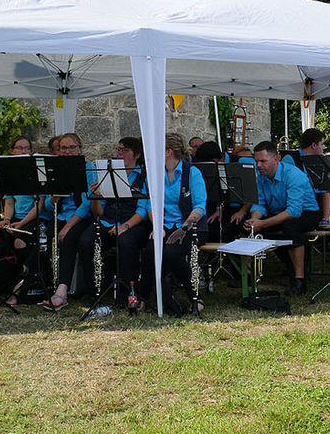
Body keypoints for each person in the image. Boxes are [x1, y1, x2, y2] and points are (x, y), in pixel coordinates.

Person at [138, 133, 206, 315]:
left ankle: (194, 295)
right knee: (150, 250)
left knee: (172, 253)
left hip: (191, 225)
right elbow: (149, 205)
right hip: (164, 225)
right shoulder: (154, 174)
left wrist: (184, 228)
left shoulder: (192, 172)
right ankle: (143, 297)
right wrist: (157, 226)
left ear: (168, 152)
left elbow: (200, 206)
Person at [79, 136, 150, 309]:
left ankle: (126, 292)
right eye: (119, 149)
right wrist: (96, 196)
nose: (120, 153)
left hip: (133, 223)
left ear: (137, 155)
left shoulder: (143, 177)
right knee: (86, 241)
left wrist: (125, 226)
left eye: (125, 150)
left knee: (126, 242)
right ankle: (93, 291)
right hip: (108, 220)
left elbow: (142, 210)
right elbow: (99, 212)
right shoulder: (108, 175)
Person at [245, 141, 321, 296]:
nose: (258, 165)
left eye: (263, 161)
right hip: (281, 212)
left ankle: (299, 280)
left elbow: (293, 211)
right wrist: (254, 221)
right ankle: (247, 275)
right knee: (245, 225)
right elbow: (260, 204)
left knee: (290, 228)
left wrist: (263, 224)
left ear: (275, 160)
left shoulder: (293, 175)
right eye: (256, 161)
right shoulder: (261, 177)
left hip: (307, 212)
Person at [41, 132, 94, 311]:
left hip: (81, 218)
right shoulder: (56, 171)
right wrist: (55, 193)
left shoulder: (89, 168)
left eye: (72, 147)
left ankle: (62, 290)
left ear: (80, 149)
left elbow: (88, 204)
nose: (68, 151)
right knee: (45, 237)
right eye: (64, 148)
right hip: (61, 216)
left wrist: (68, 226)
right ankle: (47, 284)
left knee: (69, 238)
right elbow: (49, 207)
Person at [282, 128, 330, 225]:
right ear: (314, 145)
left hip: (311, 211)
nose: (324, 148)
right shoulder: (290, 159)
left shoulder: (319, 162)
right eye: (322, 144)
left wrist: (326, 218)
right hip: (292, 208)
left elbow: (325, 192)